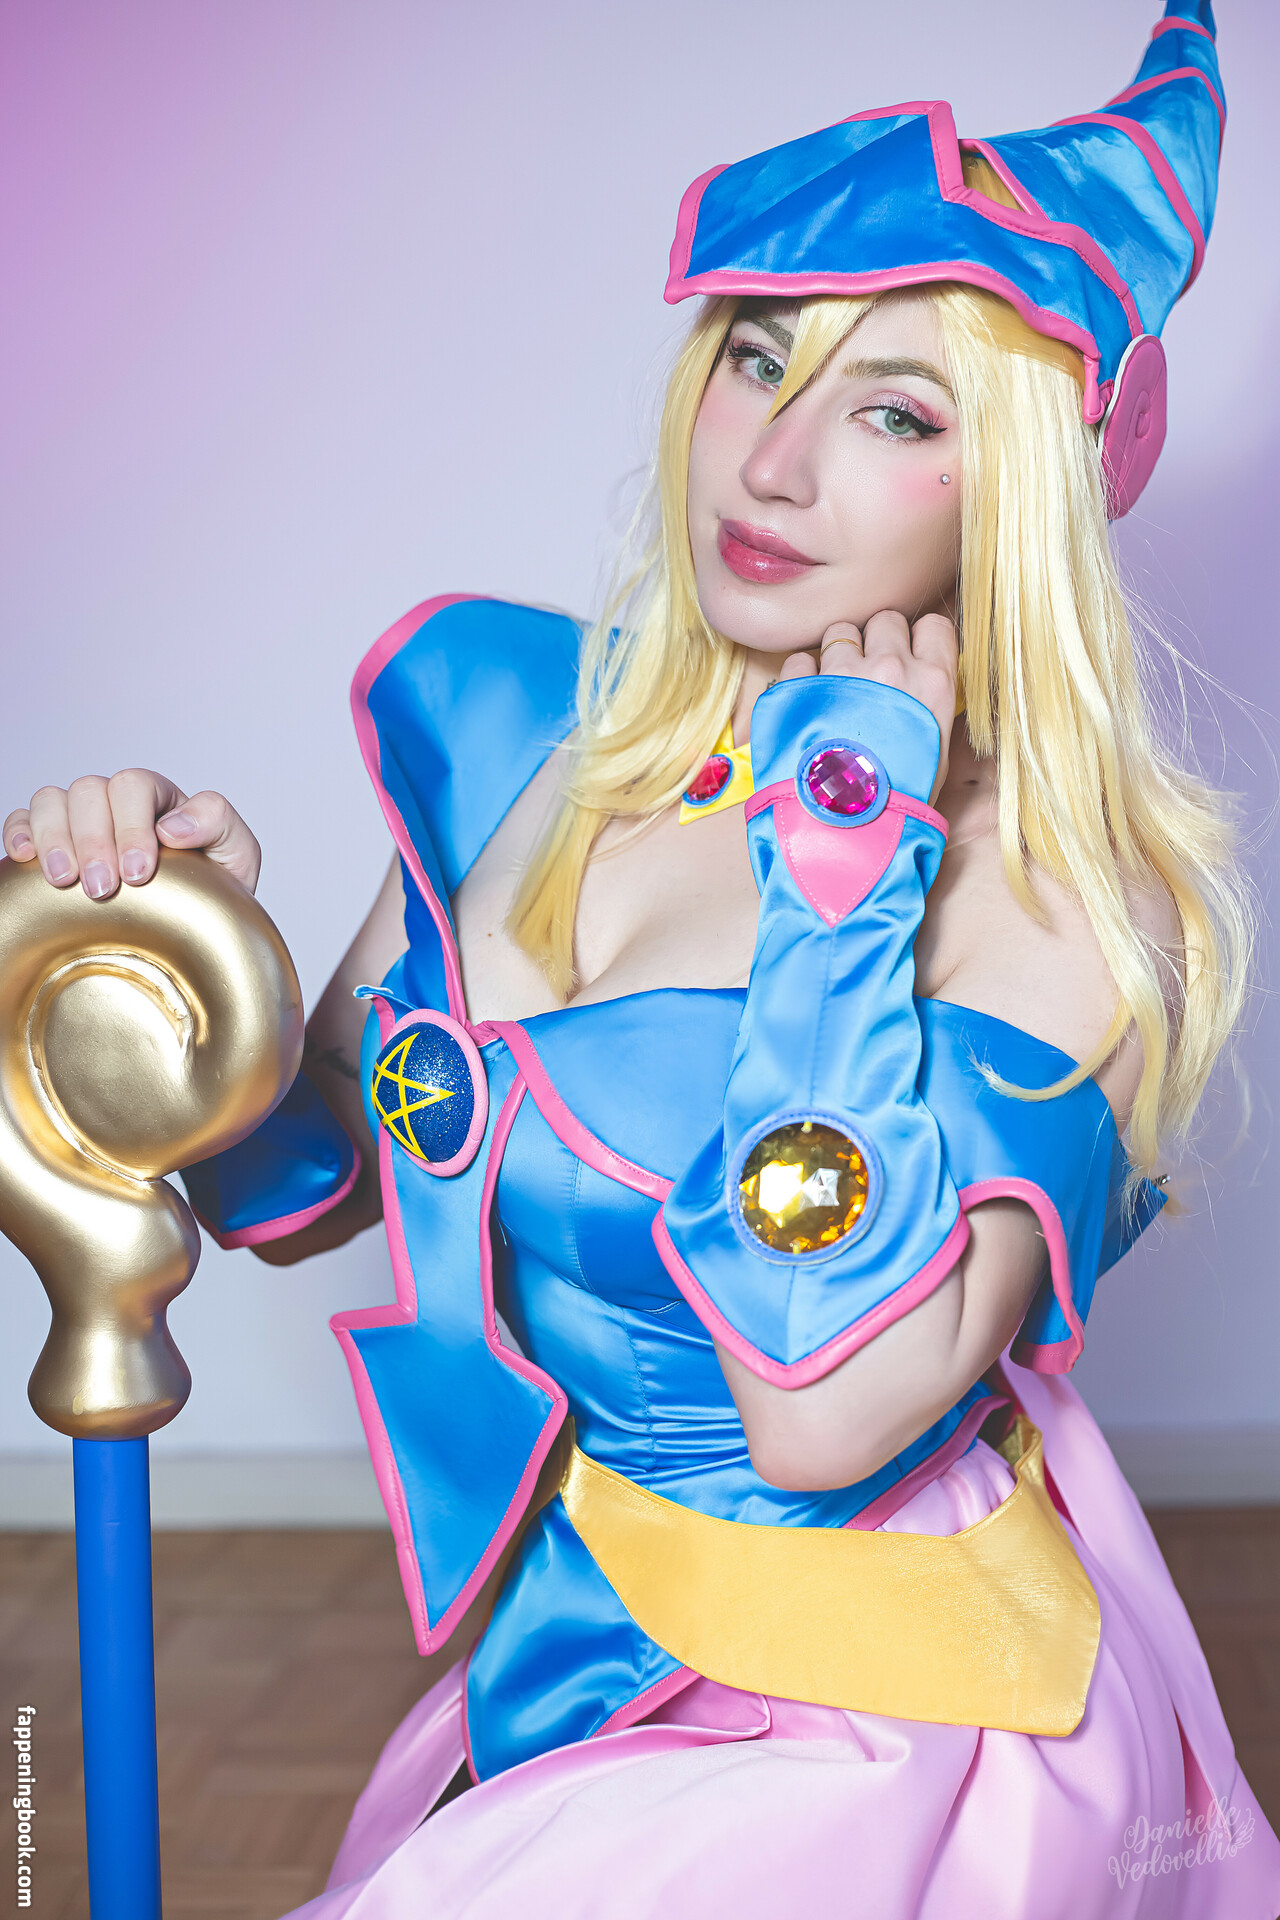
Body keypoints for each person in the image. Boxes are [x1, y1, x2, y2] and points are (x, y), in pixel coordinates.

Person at [8, 4, 1279, 1914]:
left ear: (1017, 485)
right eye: (757, 356)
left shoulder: (1060, 897)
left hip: (872, 1725)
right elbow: (310, 1182)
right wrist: (178, 942)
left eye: (896, 412)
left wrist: (846, 880)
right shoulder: (548, 742)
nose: (773, 461)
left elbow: (820, 1413)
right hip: (573, 1656)